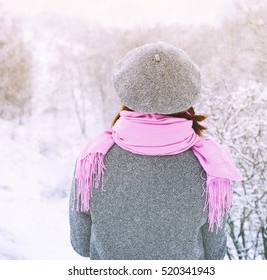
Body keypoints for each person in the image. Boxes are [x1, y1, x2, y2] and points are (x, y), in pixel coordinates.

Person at [69, 42, 242, 260]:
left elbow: (81, 244)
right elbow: (214, 252)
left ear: (126, 90)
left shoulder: (93, 158)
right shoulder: (211, 165)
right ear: (188, 94)